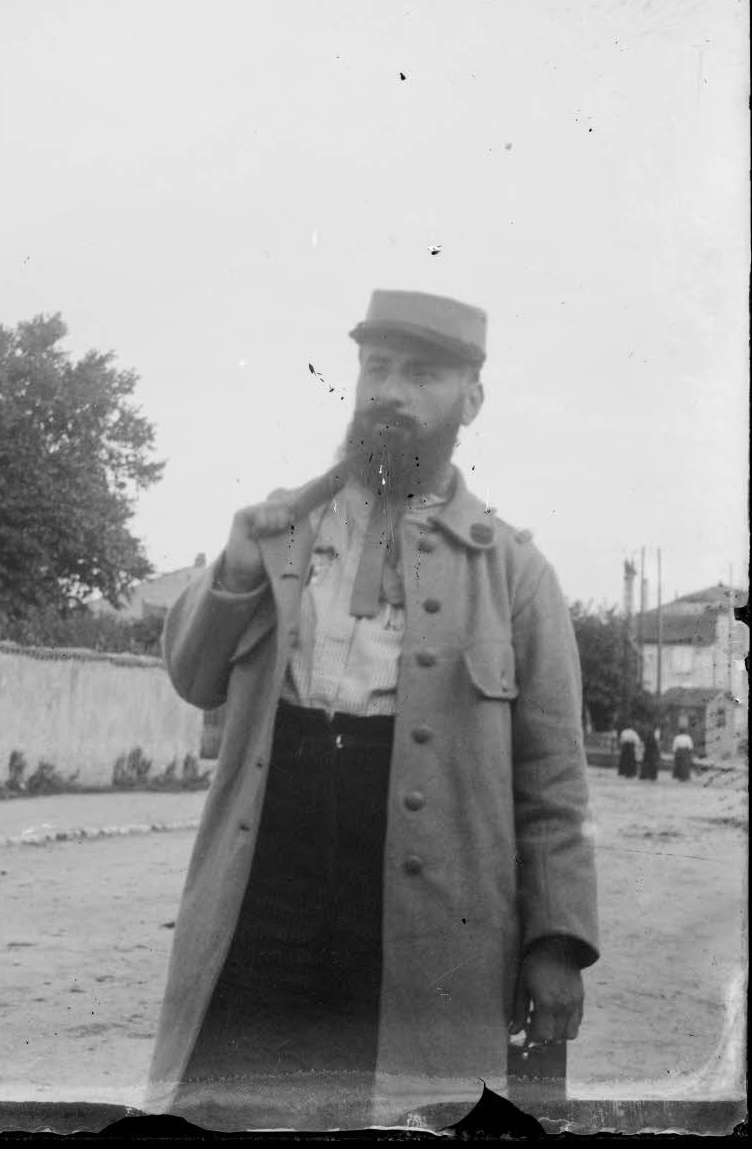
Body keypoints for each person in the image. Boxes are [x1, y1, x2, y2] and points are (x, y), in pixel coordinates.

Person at [146, 289, 600, 1130]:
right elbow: (193, 678)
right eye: (377, 368)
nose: (390, 391)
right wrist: (233, 573)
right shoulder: (276, 532)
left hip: (425, 917)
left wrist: (556, 944)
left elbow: (553, 783)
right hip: (265, 889)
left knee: (399, 1114)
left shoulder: (514, 573)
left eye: (422, 374)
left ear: (471, 400)